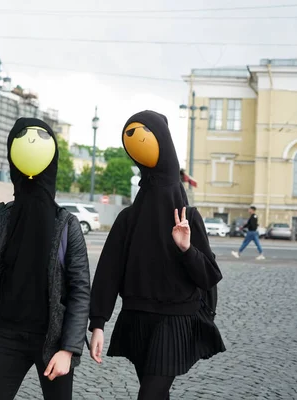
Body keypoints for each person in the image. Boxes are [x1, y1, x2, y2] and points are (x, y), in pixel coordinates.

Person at [89, 111, 226, 400]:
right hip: (137, 319)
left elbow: (209, 276)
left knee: (150, 394)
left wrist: (187, 249)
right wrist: (98, 324)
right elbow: (108, 273)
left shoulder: (189, 217)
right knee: (154, 394)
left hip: (175, 321)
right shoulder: (129, 218)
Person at [0, 117, 90, 400]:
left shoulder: (67, 224)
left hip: (52, 341)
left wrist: (68, 349)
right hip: (9, 337)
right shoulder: (3, 217)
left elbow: (80, 292)